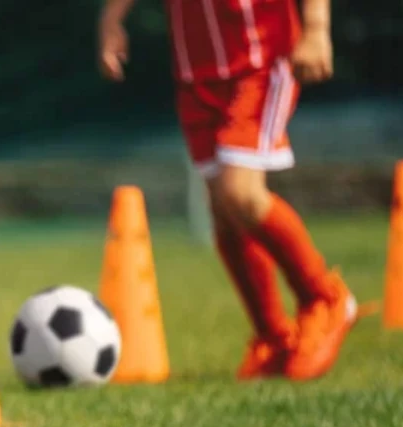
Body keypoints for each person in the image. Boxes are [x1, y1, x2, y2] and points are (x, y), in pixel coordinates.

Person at [98, 0, 357, 381]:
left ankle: (325, 298)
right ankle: (273, 337)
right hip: (197, 76)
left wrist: (317, 28)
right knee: (222, 210)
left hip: (260, 64)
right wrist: (111, 21)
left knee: (240, 194)